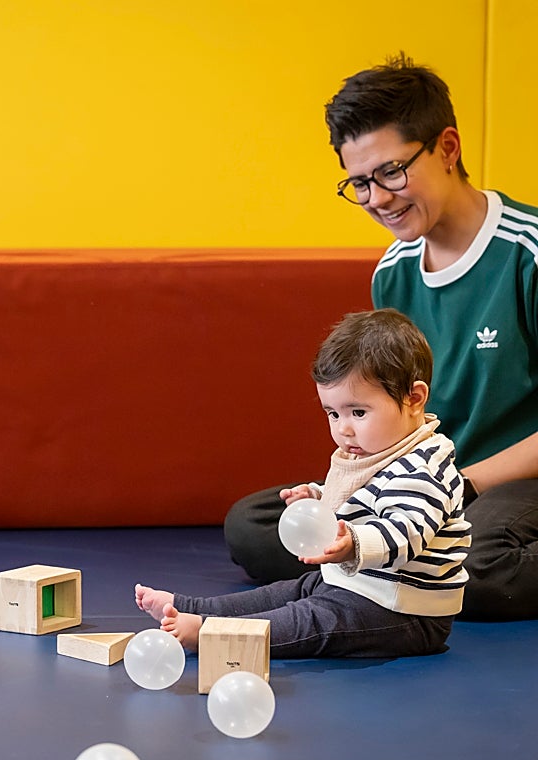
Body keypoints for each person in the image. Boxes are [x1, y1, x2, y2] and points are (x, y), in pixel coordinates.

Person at [224, 53, 538, 621]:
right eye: (359, 183)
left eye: (392, 172)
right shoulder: (392, 271)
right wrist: (345, 496)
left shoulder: (527, 254)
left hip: (509, 485)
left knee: (485, 562)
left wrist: (461, 484)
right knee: (254, 526)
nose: (378, 199)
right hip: (421, 487)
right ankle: (395, 558)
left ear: (447, 148)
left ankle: (405, 560)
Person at [136, 309, 470, 657]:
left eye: (358, 412)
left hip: (405, 610)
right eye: (332, 413)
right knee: (285, 592)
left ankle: (211, 633)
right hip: (359, 585)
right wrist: (317, 496)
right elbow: (365, 498)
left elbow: (406, 530)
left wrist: (354, 543)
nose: (344, 428)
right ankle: (193, 607)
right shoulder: (374, 448)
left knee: (310, 619)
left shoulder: (423, 467)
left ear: (414, 398)